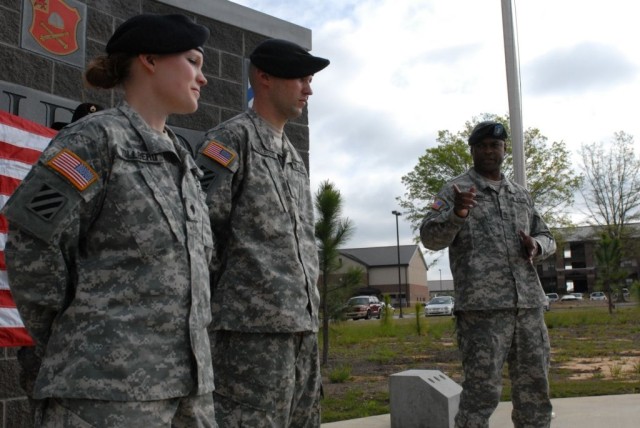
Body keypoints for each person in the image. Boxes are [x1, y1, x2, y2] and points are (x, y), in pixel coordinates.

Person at [3, 14, 217, 427]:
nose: (202, 78)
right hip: (104, 394)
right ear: (150, 59)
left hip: (189, 394)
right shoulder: (95, 140)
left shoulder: (185, 163)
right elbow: (32, 246)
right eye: (193, 61)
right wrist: (77, 340)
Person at [194, 38, 329, 427]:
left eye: (310, 79)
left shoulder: (292, 155)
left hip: (301, 332)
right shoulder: (229, 141)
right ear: (264, 77)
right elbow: (201, 233)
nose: (309, 89)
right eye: (300, 78)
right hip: (249, 338)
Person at [420, 121, 556, 428]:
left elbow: (548, 236)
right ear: (473, 150)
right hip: (483, 311)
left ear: (504, 149)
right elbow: (430, 237)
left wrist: (537, 246)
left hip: (528, 308)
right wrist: (457, 214)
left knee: (535, 389)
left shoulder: (520, 194)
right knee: (481, 394)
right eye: (482, 146)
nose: (489, 151)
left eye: (495, 145)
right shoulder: (455, 190)